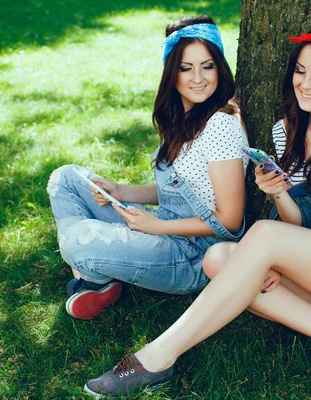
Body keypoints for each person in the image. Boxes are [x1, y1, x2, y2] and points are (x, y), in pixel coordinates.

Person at [83, 23, 311, 397]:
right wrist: (280, 194)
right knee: (219, 261)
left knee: (260, 242)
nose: (304, 83)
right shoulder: (285, 132)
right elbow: (300, 223)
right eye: (299, 71)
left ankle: (158, 355)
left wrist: (272, 260)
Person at [47, 16, 249, 321]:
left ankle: (93, 275)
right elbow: (183, 190)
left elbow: (230, 221)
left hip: (193, 256)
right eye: (185, 68)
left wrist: (157, 227)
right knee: (65, 178)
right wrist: (120, 191)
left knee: (78, 239)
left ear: (219, 68)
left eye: (207, 66)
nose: (198, 78)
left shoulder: (220, 126)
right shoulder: (184, 117)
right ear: (172, 73)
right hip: (163, 228)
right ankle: (97, 273)